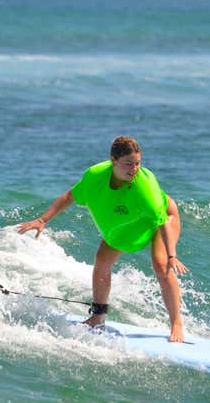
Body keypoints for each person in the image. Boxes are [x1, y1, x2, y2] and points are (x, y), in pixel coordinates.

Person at [16, 136, 189, 342]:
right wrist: (42, 219)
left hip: (162, 218)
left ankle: (176, 324)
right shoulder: (95, 176)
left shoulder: (146, 191)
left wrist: (172, 255)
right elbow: (70, 196)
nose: (134, 169)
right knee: (101, 262)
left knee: (161, 265)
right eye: (128, 164)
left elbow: (162, 223)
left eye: (137, 163)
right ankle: (98, 317)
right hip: (129, 223)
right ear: (113, 161)